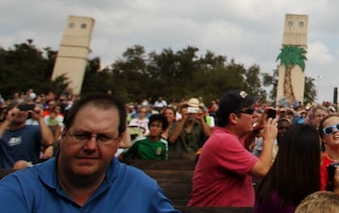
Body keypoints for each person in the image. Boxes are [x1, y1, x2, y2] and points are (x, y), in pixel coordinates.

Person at [0, 93, 176, 211]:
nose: (91, 146)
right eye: (82, 135)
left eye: (104, 137)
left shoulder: (142, 188)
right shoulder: (19, 190)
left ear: (118, 141)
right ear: (64, 134)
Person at [188, 89, 278, 206]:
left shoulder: (228, 137)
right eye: (250, 111)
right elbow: (263, 170)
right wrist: (269, 139)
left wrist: (256, 129)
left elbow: (243, 145)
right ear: (233, 118)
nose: (255, 115)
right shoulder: (224, 141)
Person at [255, 124, 339, 213]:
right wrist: (338, 192)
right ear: (307, 157)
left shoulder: (290, 184)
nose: (324, 154)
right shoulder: (278, 200)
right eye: (321, 149)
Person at [0, 101, 54, 169]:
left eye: (24, 110)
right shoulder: (3, 132)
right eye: (19, 109)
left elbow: (49, 142)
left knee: (20, 164)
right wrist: (8, 120)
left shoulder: (34, 129)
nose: (21, 112)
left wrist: (40, 118)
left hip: (28, 172)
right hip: (5, 174)